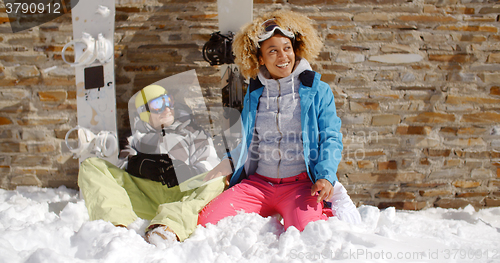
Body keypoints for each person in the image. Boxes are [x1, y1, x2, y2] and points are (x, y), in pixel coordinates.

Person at [199, 10, 360, 231]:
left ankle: (322, 210)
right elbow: (247, 137)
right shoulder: (254, 93)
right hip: (258, 185)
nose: (283, 56)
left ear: (296, 50)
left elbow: (331, 137)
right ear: (260, 58)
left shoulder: (318, 90)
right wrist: (229, 163)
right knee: (207, 222)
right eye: (272, 51)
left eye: (287, 48)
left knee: (310, 233)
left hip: (300, 186)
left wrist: (325, 176)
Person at [77, 80, 225, 245]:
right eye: (157, 104)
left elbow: (210, 162)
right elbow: (119, 169)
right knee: (91, 165)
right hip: (144, 196)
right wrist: (139, 165)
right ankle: (117, 226)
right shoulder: (134, 137)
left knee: (219, 176)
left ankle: (168, 226)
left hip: (181, 196)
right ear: (143, 112)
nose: (167, 108)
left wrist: (187, 171)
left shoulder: (194, 133)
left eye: (168, 101)